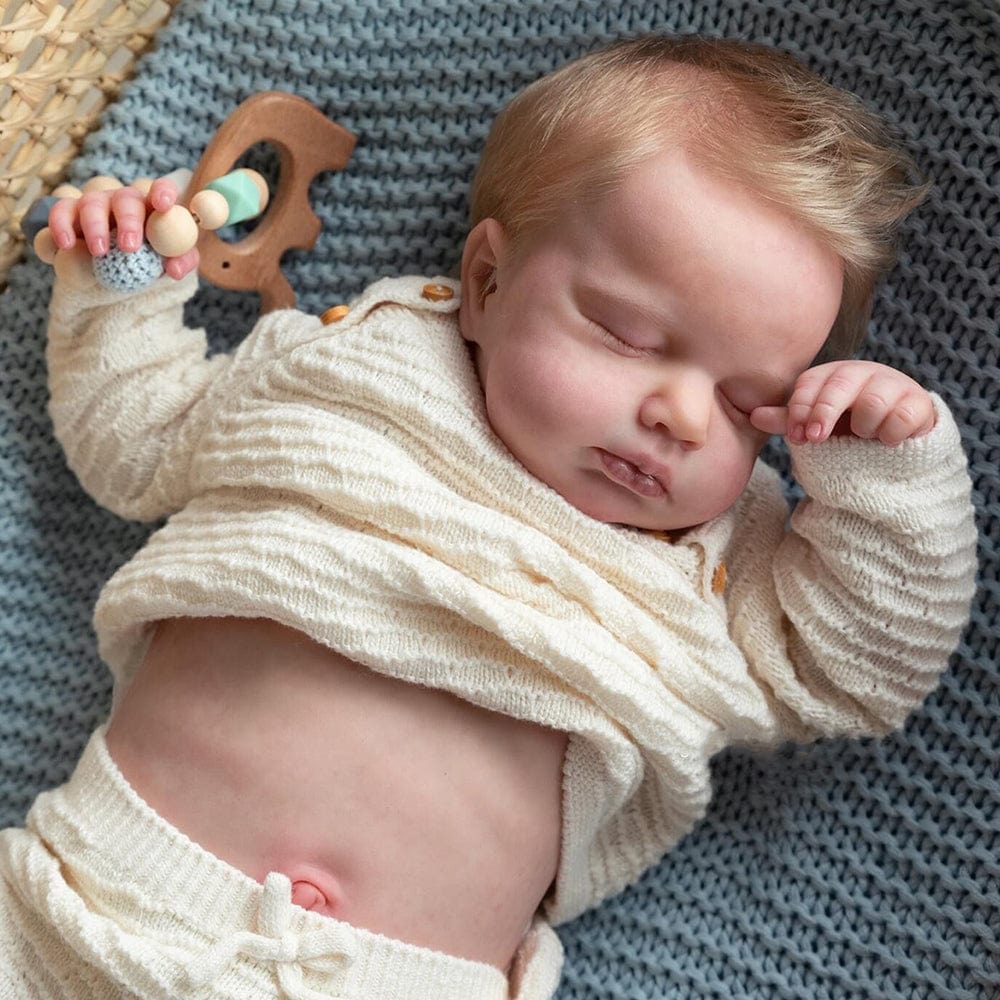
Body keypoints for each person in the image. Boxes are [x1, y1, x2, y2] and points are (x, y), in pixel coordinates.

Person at [0, 34, 977, 1000]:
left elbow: (859, 675)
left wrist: (881, 474)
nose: (679, 415)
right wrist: (118, 286)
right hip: (93, 900)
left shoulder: (721, 558)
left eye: (741, 403)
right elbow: (136, 442)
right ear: (485, 282)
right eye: (628, 335)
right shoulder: (345, 375)